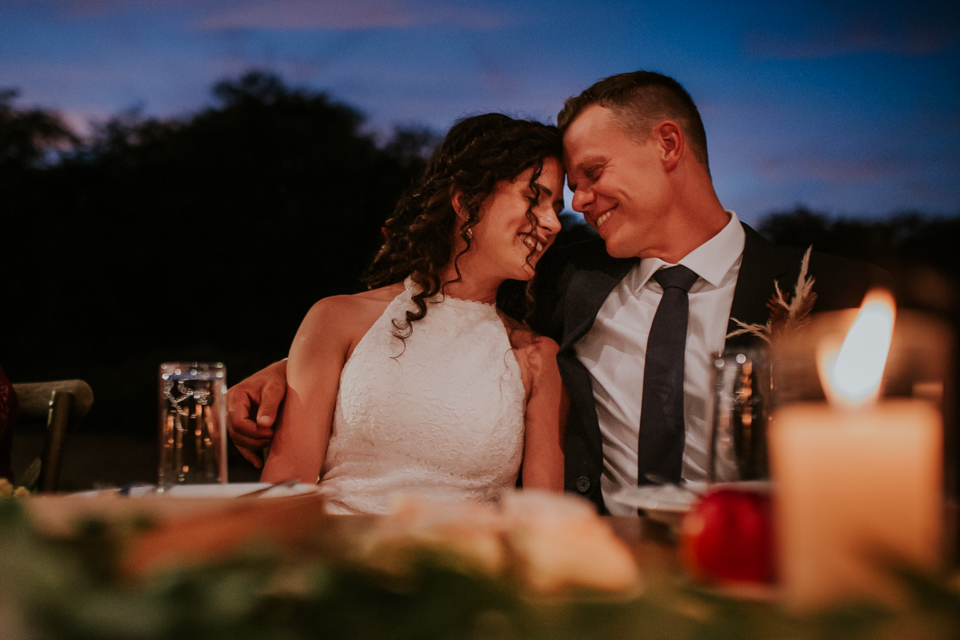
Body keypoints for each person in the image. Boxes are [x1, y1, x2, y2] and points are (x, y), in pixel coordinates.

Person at [230, 72, 887, 514]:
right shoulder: (575, 282)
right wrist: (291, 371)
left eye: (591, 175)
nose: (575, 206)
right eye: (560, 191)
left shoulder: (833, 289)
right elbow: (433, 326)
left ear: (667, 145)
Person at [255, 113, 566, 514]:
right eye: (533, 197)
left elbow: (543, 524)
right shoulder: (336, 319)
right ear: (465, 200)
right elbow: (284, 487)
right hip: (338, 561)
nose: (553, 223)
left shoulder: (538, 358)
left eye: (557, 207)